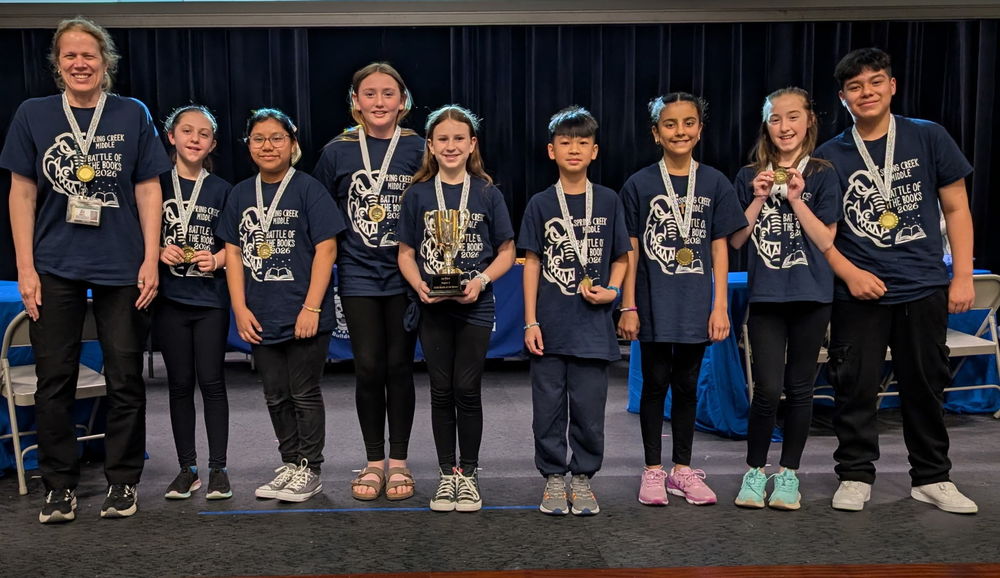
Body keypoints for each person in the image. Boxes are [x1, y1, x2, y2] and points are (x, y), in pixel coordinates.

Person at [0, 17, 171, 523]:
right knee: (56, 379)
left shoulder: (130, 113)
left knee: (125, 377)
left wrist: (149, 257)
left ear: (105, 63)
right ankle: (60, 486)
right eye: (70, 55)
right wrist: (25, 268)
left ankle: (122, 482)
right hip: (55, 265)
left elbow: (147, 189)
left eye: (89, 55)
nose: (80, 63)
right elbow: (22, 193)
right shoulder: (32, 114)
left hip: (121, 265)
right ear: (58, 64)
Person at [814, 48, 978, 514]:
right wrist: (851, 275)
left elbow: (957, 209)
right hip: (859, 290)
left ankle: (932, 477)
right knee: (854, 385)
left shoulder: (928, 137)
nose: (866, 92)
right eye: (854, 86)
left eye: (875, 82)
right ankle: (854, 474)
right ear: (844, 98)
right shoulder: (829, 156)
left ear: (892, 86)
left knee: (926, 384)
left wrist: (961, 277)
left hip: (924, 285)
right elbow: (824, 235)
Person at [618, 92, 746, 508]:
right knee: (655, 385)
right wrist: (629, 304)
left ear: (700, 129)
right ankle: (653, 470)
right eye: (670, 125)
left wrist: (720, 304)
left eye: (688, 123)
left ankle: (682, 470)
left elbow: (720, 249)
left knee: (688, 386)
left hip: (696, 302)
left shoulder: (714, 182)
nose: (680, 131)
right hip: (654, 302)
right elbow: (631, 251)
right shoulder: (639, 184)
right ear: (656, 133)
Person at [219, 108, 346, 503]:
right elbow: (233, 252)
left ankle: (310, 468)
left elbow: (327, 249)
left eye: (277, 138)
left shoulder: (309, 189)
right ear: (248, 146)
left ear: (293, 144)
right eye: (259, 139)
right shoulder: (240, 193)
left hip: (304, 313)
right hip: (261, 312)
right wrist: (239, 308)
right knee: (274, 394)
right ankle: (290, 463)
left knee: (303, 392)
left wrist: (310, 308)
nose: (268, 146)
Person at [312, 63, 424, 501]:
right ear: (355, 101)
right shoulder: (335, 152)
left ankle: (399, 461)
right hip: (358, 275)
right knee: (368, 368)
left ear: (403, 100)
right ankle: (373, 460)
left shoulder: (419, 148)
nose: (379, 102)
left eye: (388, 93)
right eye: (370, 94)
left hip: (405, 275)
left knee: (400, 367)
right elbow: (319, 215)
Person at [397, 105, 515, 512]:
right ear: (430, 145)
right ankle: (447, 475)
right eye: (442, 139)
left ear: (472, 145)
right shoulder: (417, 194)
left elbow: (506, 250)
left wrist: (480, 280)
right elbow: (407, 253)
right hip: (433, 306)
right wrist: (418, 286)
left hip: (474, 306)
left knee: (468, 389)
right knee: (440, 390)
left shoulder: (487, 193)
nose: (451, 146)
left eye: (458, 139)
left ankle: (470, 474)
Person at [729, 88, 840, 510]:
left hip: (812, 295)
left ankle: (789, 474)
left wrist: (796, 200)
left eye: (793, 117)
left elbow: (826, 238)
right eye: (775, 119)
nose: (784, 126)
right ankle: (754, 472)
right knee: (767, 389)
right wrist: (758, 197)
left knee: (800, 390)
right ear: (766, 125)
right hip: (767, 297)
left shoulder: (824, 173)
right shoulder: (747, 175)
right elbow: (737, 239)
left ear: (809, 120)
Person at [519, 106, 630, 516]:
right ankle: (552, 478)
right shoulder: (540, 203)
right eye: (565, 142)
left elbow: (622, 256)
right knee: (547, 410)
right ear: (551, 151)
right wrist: (530, 319)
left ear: (595, 151)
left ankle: (582, 479)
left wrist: (615, 291)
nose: (574, 149)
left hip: (593, 327)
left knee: (588, 410)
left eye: (582, 142)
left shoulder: (609, 200)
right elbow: (531, 262)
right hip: (550, 325)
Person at [154, 105, 233, 501]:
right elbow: (139, 233)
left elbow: (234, 247)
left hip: (210, 301)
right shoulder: (155, 185)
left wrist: (216, 259)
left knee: (213, 383)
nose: (195, 139)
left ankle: (219, 468)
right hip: (170, 300)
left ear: (212, 143)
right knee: (180, 385)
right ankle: (187, 468)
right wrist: (157, 250)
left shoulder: (221, 190)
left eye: (204, 134)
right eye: (187, 131)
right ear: (171, 137)